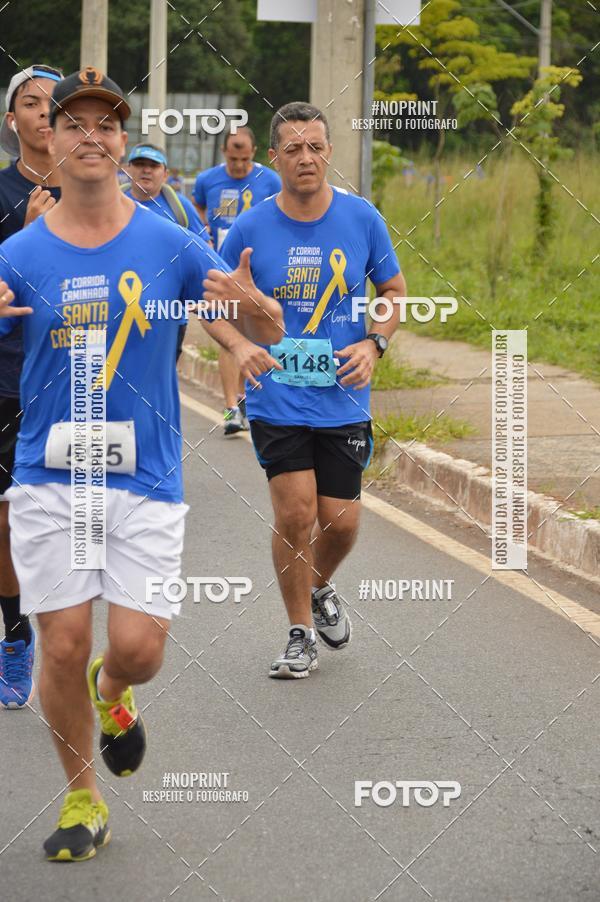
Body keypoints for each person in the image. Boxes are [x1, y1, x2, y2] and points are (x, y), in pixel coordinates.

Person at [0, 67, 282, 861]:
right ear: (49, 141)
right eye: (75, 124)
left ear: (122, 143)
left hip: (146, 475)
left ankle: (114, 690)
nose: (92, 136)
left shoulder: (169, 240)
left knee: (138, 648)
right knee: (58, 642)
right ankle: (83, 795)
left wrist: (255, 321)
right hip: (52, 473)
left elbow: (235, 310)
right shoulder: (18, 253)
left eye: (107, 125)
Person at [221, 102, 406, 679]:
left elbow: (394, 289)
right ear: (274, 157)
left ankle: (320, 586)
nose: (306, 158)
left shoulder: (362, 218)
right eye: (294, 148)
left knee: (342, 521)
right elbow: (213, 301)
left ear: (330, 152)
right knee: (296, 514)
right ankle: (299, 632)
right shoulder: (249, 227)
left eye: (316, 147)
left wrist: (375, 343)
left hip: (343, 397)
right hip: (278, 397)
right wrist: (240, 343)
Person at [0, 64, 63, 709]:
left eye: (55, 103)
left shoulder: (100, 191)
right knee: (6, 520)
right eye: (30, 102)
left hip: (80, 380)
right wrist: (24, 239)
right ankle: (16, 636)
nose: (44, 111)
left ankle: (76, 643)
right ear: (11, 119)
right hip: (6, 379)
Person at [194, 126, 281, 435]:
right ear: (224, 153)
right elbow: (198, 210)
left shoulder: (270, 181)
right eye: (234, 159)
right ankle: (232, 408)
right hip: (224, 269)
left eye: (245, 159)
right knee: (229, 333)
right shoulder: (208, 180)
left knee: (260, 332)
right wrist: (203, 234)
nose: (240, 166)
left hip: (261, 269)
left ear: (254, 153)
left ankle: (254, 401)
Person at [123, 143, 206, 238]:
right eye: (140, 164)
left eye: (154, 166)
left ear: (165, 175)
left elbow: (204, 247)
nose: (146, 170)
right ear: (127, 169)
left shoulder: (182, 207)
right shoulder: (110, 203)